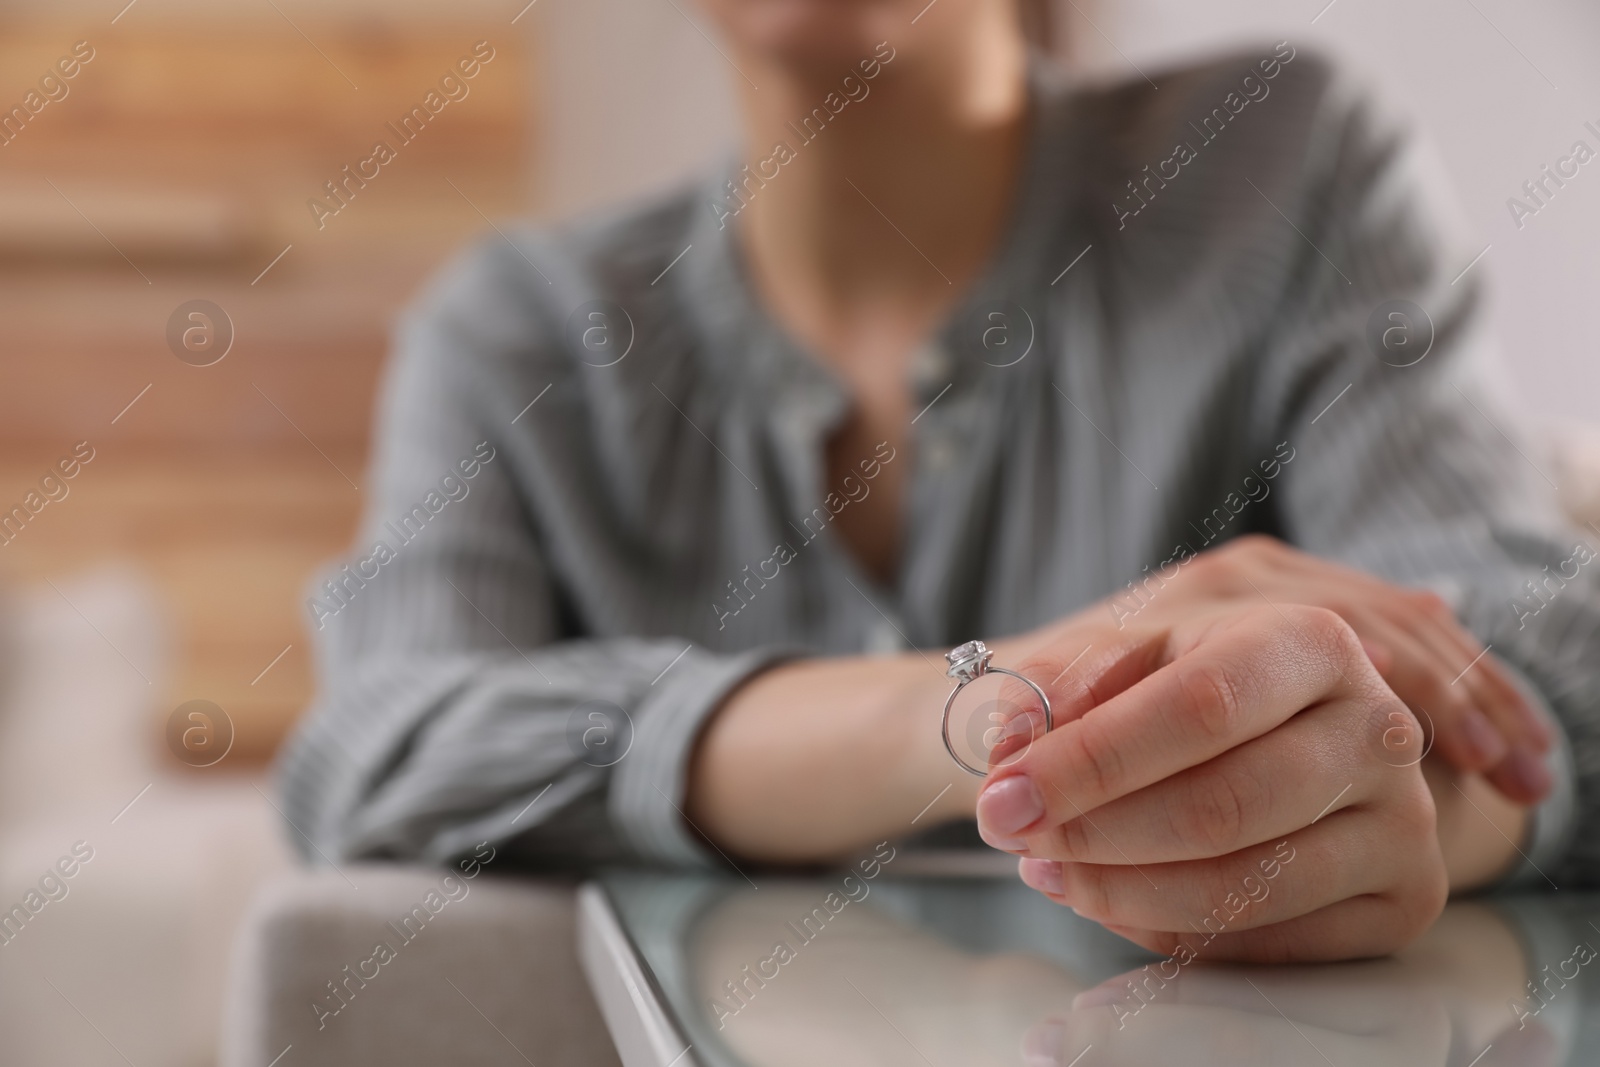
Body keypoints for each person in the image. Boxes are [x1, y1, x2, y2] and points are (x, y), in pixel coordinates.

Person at [277, 0, 1600, 963]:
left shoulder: (1286, 163)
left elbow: (1550, 656)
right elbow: (381, 746)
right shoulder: (515, 328)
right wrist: (975, 714)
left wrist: (1386, 811)